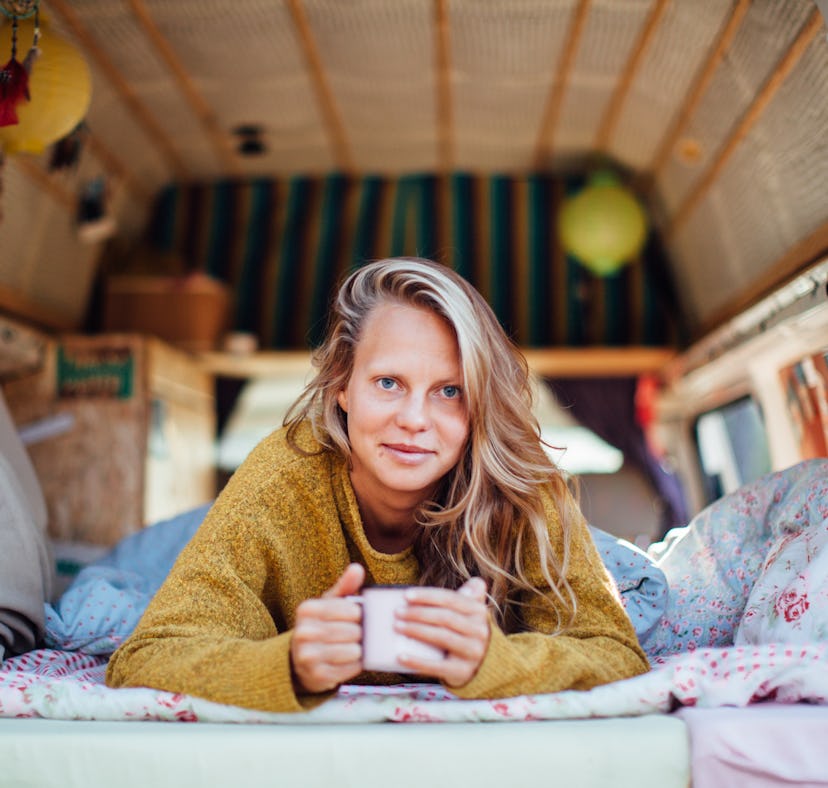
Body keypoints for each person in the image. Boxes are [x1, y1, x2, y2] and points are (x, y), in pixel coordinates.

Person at [106, 257, 649, 712]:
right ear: (342, 386)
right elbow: (147, 654)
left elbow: (618, 653)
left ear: (480, 402)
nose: (414, 419)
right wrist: (288, 663)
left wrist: (498, 661)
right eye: (389, 383)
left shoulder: (525, 484)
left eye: (449, 391)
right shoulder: (284, 471)